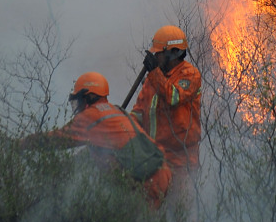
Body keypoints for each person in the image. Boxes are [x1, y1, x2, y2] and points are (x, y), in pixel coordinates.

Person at [42, 71, 172, 207]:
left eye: (80, 99)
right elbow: (96, 151)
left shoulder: (90, 116)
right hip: (162, 172)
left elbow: (56, 140)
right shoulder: (116, 111)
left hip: (146, 182)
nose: (78, 104)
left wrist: (20, 145)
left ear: (89, 96)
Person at [129, 25, 202, 191]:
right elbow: (139, 112)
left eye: (159, 53)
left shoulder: (190, 74)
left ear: (174, 52)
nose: (156, 56)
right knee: (152, 212)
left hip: (181, 163)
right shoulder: (153, 79)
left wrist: (154, 73)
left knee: (179, 213)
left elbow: (174, 97)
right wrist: (124, 125)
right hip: (154, 160)